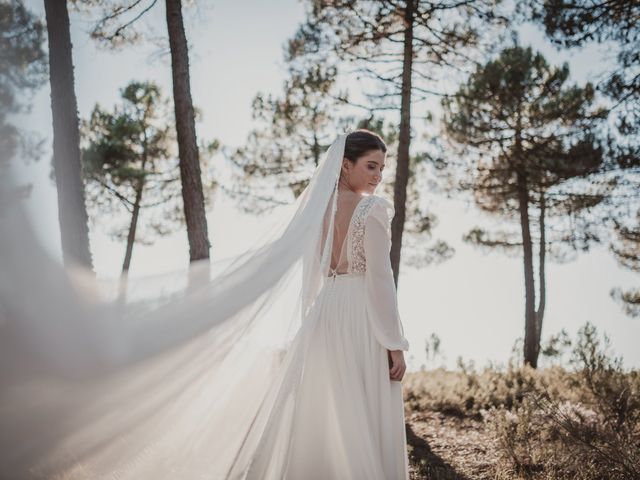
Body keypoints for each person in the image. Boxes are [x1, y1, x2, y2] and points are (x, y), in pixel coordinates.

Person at [0, 130, 410, 479]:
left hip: (326, 312)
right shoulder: (373, 209)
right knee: (362, 403)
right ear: (346, 165)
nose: (377, 175)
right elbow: (379, 279)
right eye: (371, 165)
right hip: (359, 312)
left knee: (332, 409)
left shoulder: (317, 213)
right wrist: (394, 341)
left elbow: (314, 276)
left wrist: (313, 317)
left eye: (381, 167)